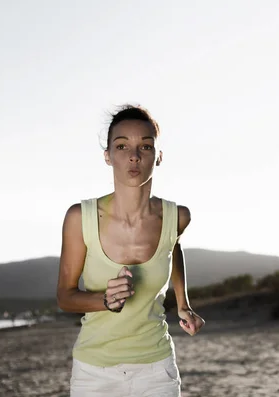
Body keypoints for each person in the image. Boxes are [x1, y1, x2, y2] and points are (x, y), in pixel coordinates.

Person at [56, 104, 204, 396]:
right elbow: (65, 297)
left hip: (157, 368)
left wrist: (183, 302)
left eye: (145, 147)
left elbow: (172, 247)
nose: (134, 156)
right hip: (94, 373)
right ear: (108, 156)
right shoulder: (80, 218)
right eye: (122, 146)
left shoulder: (177, 217)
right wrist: (105, 301)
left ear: (158, 157)